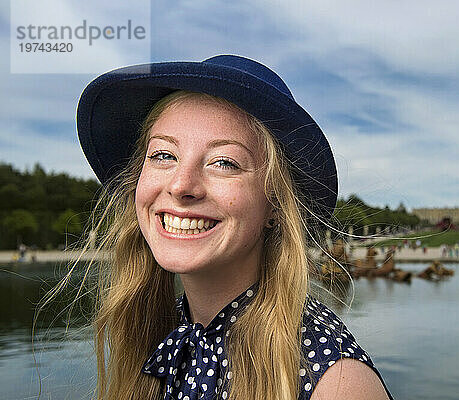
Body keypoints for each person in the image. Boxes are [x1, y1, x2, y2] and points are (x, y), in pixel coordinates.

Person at [71, 55, 393, 400]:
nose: (181, 185)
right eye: (164, 155)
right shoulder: (162, 337)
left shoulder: (337, 383)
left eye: (224, 162)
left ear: (275, 205)